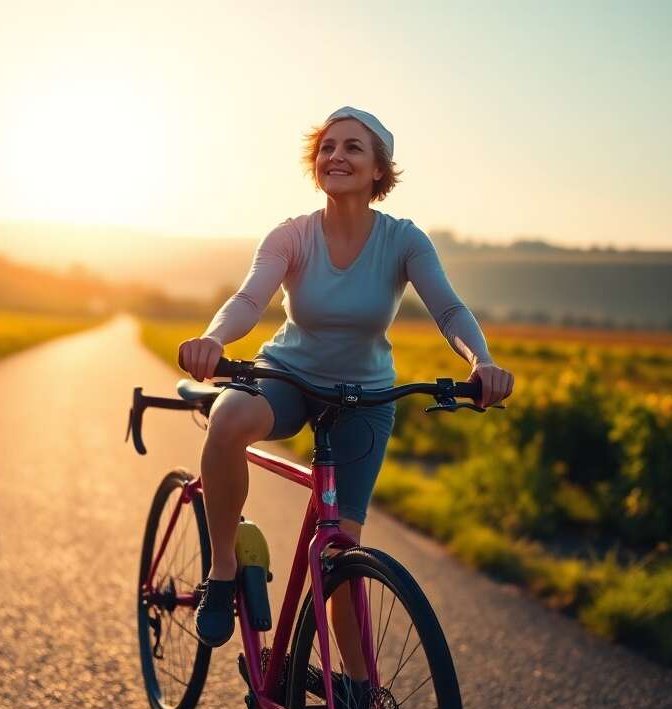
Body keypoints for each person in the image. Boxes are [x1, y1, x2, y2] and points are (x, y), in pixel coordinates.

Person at [177, 107, 514, 655]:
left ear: (380, 170)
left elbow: (449, 311)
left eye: (353, 147)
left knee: (339, 556)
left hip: (364, 396)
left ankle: (361, 700)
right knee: (227, 420)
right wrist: (215, 340)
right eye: (327, 147)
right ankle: (221, 569)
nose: (336, 155)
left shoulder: (404, 241)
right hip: (287, 376)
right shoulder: (293, 235)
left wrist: (481, 361)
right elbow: (249, 298)